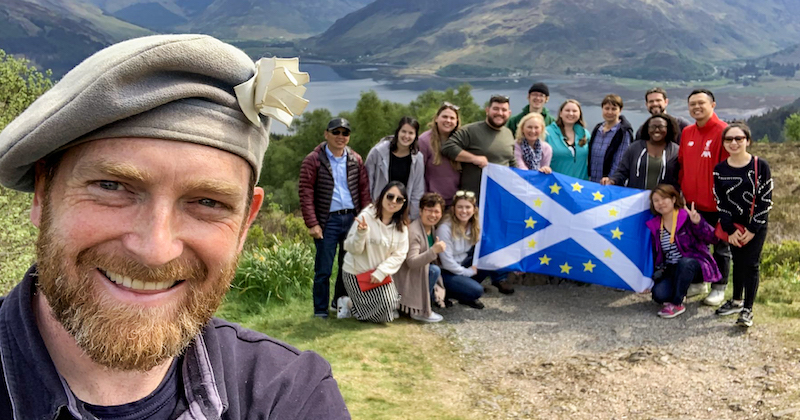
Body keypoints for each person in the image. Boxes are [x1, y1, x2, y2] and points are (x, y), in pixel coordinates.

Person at [0, 35, 349, 418]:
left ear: (245, 224)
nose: (155, 250)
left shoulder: (291, 396)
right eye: (112, 186)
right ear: (42, 193)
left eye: (207, 202)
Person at [300, 117, 371, 319]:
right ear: (326, 134)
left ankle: (338, 303)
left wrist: (365, 218)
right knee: (323, 268)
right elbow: (305, 192)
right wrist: (312, 223)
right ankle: (320, 310)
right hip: (327, 221)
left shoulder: (355, 159)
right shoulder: (313, 160)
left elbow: (364, 190)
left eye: (345, 133)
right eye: (336, 132)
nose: (340, 137)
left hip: (351, 218)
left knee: (347, 265)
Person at [713, 122, 773, 328]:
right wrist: (730, 230)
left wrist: (752, 229)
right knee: (737, 262)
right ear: (724, 143)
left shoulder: (760, 165)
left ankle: (748, 309)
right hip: (733, 226)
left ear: (748, 141)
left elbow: (765, 199)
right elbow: (721, 201)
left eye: (739, 138)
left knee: (751, 264)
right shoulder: (719, 170)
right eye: (729, 139)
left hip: (756, 224)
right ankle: (736, 300)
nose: (734, 143)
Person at [679, 89, 730, 306]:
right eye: (693, 104)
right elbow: (682, 165)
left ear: (713, 105)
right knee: (696, 245)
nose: (697, 107)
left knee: (720, 246)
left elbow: (730, 170)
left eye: (701, 103)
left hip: (717, 204)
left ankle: (720, 287)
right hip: (692, 204)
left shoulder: (723, 131)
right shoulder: (687, 132)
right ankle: (699, 282)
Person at [339, 181, 410, 323]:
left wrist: (381, 271)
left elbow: (400, 254)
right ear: (383, 195)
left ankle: (354, 306)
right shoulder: (367, 216)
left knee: (390, 308)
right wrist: (361, 233)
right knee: (379, 314)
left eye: (399, 199)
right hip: (356, 272)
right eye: (390, 196)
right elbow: (352, 249)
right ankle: (347, 303)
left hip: (379, 275)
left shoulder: (401, 226)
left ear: (403, 203)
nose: (393, 202)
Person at [645, 185, 721, 318]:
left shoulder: (686, 217)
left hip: (694, 264)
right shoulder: (655, 225)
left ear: (674, 199)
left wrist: (698, 223)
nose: (660, 203)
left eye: (664, 198)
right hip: (671, 268)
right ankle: (684, 287)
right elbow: (655, 255)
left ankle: (677, 303)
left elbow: (713, 238)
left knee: (685, 264)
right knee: (659, 295)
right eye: (656, 200)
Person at [437, 190, 513, 303]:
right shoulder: (445, 228)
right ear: (453, 209)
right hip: (447, 271)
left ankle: (463, 288)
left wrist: (512, 264)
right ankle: (449, 291)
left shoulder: (474, 225)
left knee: (490, 256)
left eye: (468, 207)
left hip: (463, 264)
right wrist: (468, 272)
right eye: (460, 207)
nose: (464, 211)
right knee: (476, 291)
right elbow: (447, 263)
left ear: (474, 210)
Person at [441, 95, 516, 197]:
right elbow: (448, 147)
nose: (500, 113)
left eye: (504, 110)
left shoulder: (508, 133)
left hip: (500, 196)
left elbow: (512, 161)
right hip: (474, 199)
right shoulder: (470, 130)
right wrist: (473, 158)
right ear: (487, 110)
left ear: (509, 113)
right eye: (496, 109)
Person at [394, 193, 448, 323]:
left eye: (436, 211)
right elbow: (411, 262)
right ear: (420, 211)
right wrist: (433, 251)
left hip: (418, 272)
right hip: (406, 275)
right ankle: (418, 310)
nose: (433, 215)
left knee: (434, 269)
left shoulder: (431, 228)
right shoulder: (415, 232)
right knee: (434, 270)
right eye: (429, 210)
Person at [366, 116, 425, 220]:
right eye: (404, 131)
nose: (406, 136)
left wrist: (412, 217)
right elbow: (367, 183)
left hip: (401, 212)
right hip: (377, 210)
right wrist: (370, 210)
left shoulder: (418, 159)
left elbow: (417, 190)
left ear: (415, 136)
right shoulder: (378, 152)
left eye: (411, 133)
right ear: (398, 132)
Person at [608, 114, 680, 190]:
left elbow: (679, 178)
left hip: (663, 200)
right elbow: (622, 172)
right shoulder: (634, 148)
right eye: (653, 127)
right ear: (647, 129)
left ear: (668, 128)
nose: (657, 130)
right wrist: (612, 181)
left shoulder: (675, 151)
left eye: (661, 126)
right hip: (637, 198)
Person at [419, 102, 462, 206]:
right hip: (432, 202)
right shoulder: (424, 141)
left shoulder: (461, 140)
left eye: (452, 118)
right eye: (444, 117)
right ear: (436, 119)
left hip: (455, 202)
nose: (448, 120)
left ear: (456, 122)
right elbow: (418, 174)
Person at [590, 94, 633, 184]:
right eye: (607, 108)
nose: (610, 112)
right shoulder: (597, 129)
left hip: (610, 184)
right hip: (593, 182)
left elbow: (620, 161)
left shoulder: (623, 132)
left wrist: (611, 180)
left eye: (614, 109)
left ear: (620, 110)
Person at [545, 99, 590, 180]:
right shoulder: (547, 133)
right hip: (555, 186)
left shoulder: (585, 134)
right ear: (561, 113)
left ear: (579, 114)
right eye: (567, 110)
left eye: (574, 111)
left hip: (579, 187)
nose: (571, 113)